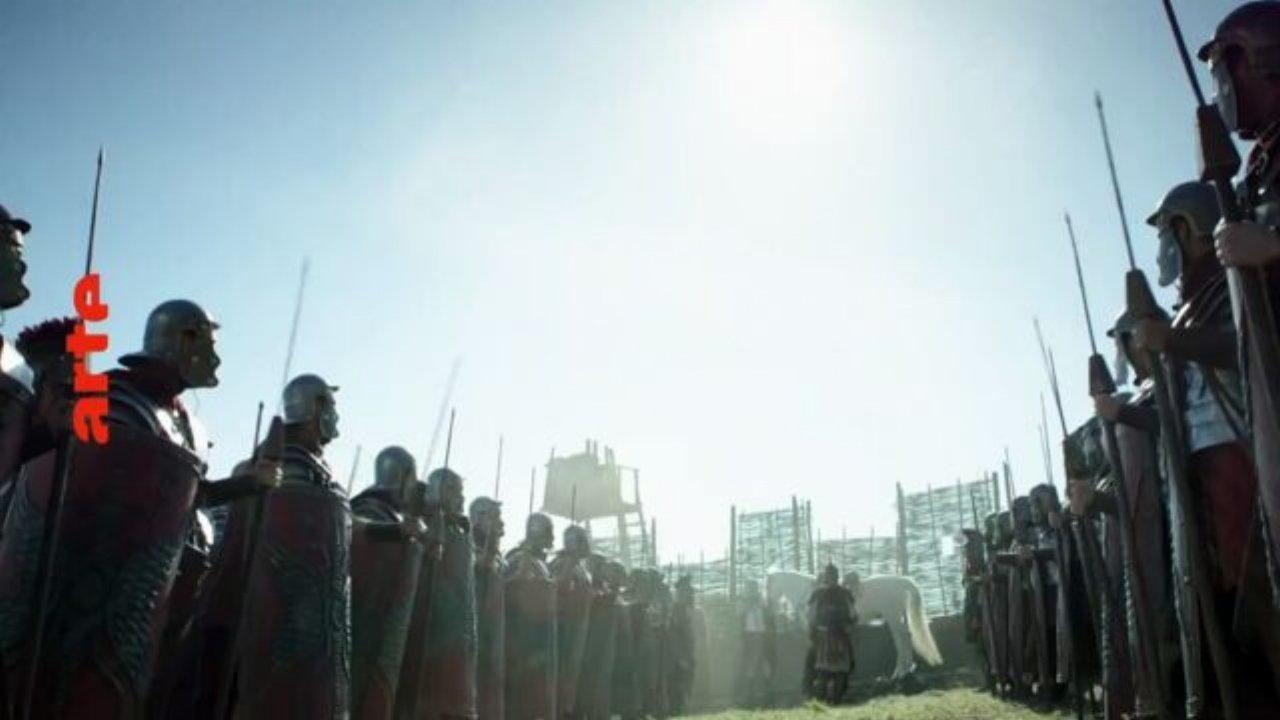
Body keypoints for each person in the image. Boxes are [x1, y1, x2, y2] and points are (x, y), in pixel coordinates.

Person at [470, 495, 505, 720]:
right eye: (495, 517)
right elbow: (480, 563)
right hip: (472, 628)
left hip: (493, 630)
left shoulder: (500, 555)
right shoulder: (466, 543)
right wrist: (491, 542)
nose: (501, 522)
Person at [805, 565, 856, 704]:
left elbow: (853, 614)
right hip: (826, 635)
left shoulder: (844, 594)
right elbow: (811, 615)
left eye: (833, 576)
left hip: (836, 636)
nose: (831, 579)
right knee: (825, 670)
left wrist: (848, 627)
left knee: (834, 670)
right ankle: (824, 700)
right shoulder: (820, 593)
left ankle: (833, 700)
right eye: (830, 576)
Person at [735, 578, 776, 708]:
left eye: (754, 588)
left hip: (763, 636)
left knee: (765, 665)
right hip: (749, 637)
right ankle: (748, 695)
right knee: (750, 666)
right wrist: (749, 604)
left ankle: (765, 694)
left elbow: (768, 617)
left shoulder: (762, 602)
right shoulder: (743, 602)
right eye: (750, 588)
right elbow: (739, 616)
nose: (753, 591)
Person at [665, 575, 698, 714]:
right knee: (678, 687)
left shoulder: (686, 609)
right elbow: (673, 636)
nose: (691, 595)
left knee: (686, 685)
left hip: (688, 653)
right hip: (678, 657)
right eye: (688, 592)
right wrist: (680, 657)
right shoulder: (676, 610)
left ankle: (683, 709)